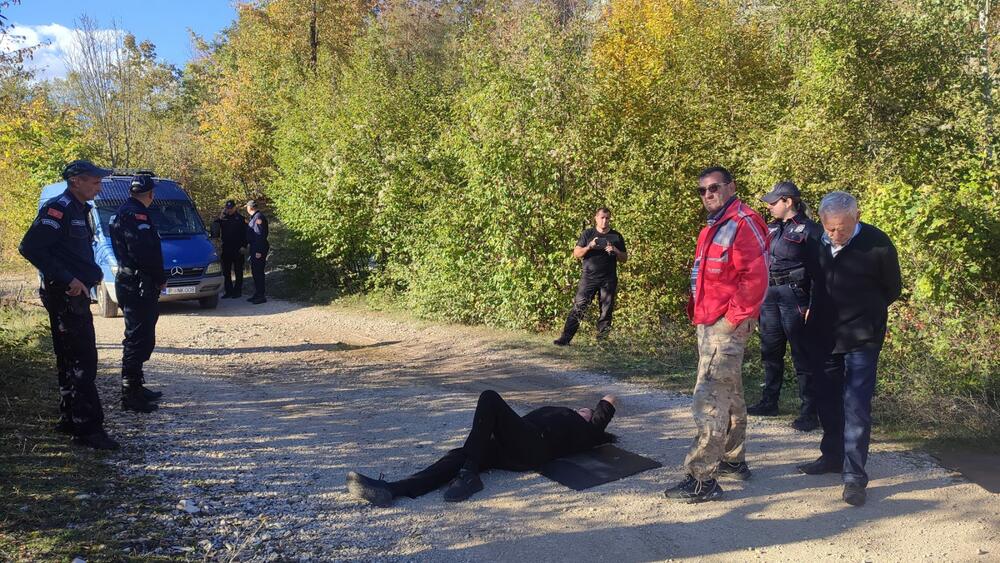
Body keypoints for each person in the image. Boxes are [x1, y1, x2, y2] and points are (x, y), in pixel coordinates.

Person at [663, 166, 769, 503]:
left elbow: (756, 277)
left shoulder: (743, 222)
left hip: (725, 324)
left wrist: (733, 317)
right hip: (709, 321)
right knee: (730, 392)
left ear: (731, 187)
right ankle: (732, 458)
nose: (708, 194)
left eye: (714, 187)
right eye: (702, 190)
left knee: (708, 398)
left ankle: (702, 478)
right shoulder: (714, 226)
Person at [798, 191, 902, 507]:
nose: (835, 234)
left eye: (841, 228)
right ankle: (831, 456)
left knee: (856, 405)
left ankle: (854, 477)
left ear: (856, 217)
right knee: (827, 400)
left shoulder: (878, 243)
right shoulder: (816, 241)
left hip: (862, 337)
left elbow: (892, 289)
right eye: (829, 228)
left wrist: (865, 313)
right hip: (824, 336)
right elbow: (810, 280)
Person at [346, 390, 618, 506]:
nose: (581, 408)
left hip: (535, 446)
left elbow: (610, 398)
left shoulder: (589, 430)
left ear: (592, 417)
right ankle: (393, 489)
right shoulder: (564, 414)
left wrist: (596, 413)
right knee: (464, 453)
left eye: (587, 409)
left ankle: (468, 475)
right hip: (513, 447)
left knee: (489, 397)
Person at [18, 159, 119, 450]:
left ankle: (70, 418)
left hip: (74, 295)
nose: (99, 186)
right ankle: (88, 430)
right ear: (76, 181)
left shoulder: (80, 209)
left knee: (69, 358)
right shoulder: (58, 208)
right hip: (65, 296)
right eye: (94, 181)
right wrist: (67, 278)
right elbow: (30, 247)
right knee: (83, 361)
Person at [747, 181, 823, 432]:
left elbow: (820, 271)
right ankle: (770, 401)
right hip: (769, 295)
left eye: (773, 202)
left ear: (788, 202)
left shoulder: (811, 230)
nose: (769, 206)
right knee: (770, 350)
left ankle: (809, 411)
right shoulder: (769, 228)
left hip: (795, 296)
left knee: (802, 355)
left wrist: (814, 302)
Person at [109, 174, 166, 413]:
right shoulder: (136, 215)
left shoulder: (121, 212)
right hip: (138, 284)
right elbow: (145, 252)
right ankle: (130, 395)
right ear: (150, 194)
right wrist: (160, 277)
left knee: (141, 335)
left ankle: (136, 386)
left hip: (130, 281)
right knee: (137, 338)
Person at [553, 207, 628, 345]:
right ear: (596, 218)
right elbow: (576, 254)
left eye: (607, 218)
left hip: (608, 279)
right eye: (602, 218)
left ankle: (602, 341)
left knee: (606, 310)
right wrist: (589, 246)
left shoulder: (616, 236)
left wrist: (615, 250)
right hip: (589, 278)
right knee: (579, 307)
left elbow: (624, 258)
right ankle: (565, 339)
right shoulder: (588, 234)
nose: (605, 221)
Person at [211, 200, 248, 298]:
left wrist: (244, 246)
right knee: (226, 272)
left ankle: (237, 291)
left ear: (235, 208)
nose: (229, 210)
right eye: (228, 208)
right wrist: (222, 213)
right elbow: (215, 224)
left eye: (231, 208)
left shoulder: (240, 219)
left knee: (238, 271)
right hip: (226, 248)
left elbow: (246, 234)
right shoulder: (223, 218)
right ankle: (229, 291)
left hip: (238, 249)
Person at [245, 200, 269, 305]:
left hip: (258, 248)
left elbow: (259, 235)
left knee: (258, 272)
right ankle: (257, 293)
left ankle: (261, 295)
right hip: (255, 247)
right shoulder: (254, 217)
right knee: (255, 271)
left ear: (249, 208)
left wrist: (258, 251)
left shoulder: (258, 218)